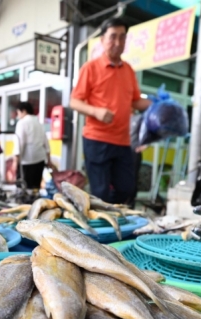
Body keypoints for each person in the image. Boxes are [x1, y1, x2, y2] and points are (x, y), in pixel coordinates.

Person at [70, 17, 151, 204]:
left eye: (122, 37)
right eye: (113, 37)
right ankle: (101, 225)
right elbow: (74, 101)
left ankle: (107, 212)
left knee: (127, 189)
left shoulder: (129, 70)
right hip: (97, 139)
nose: (118, 42)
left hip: (123, 141)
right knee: (100, 192)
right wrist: (96, 111)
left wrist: (159, 106)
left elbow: (136, 101)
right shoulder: (90, 68)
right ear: (102, 40)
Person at [14, 101, 49, 190]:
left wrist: (15, 162)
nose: (18, 115)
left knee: (24, 188)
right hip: (40, 160)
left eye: (18, 112)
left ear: (24, 111)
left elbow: (19, 144)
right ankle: (35, 203)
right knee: (35, 187)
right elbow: (46, 143)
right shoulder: (39, 123)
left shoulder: (22, 123)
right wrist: (49, 160)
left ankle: (25, 203)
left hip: (27, 161)